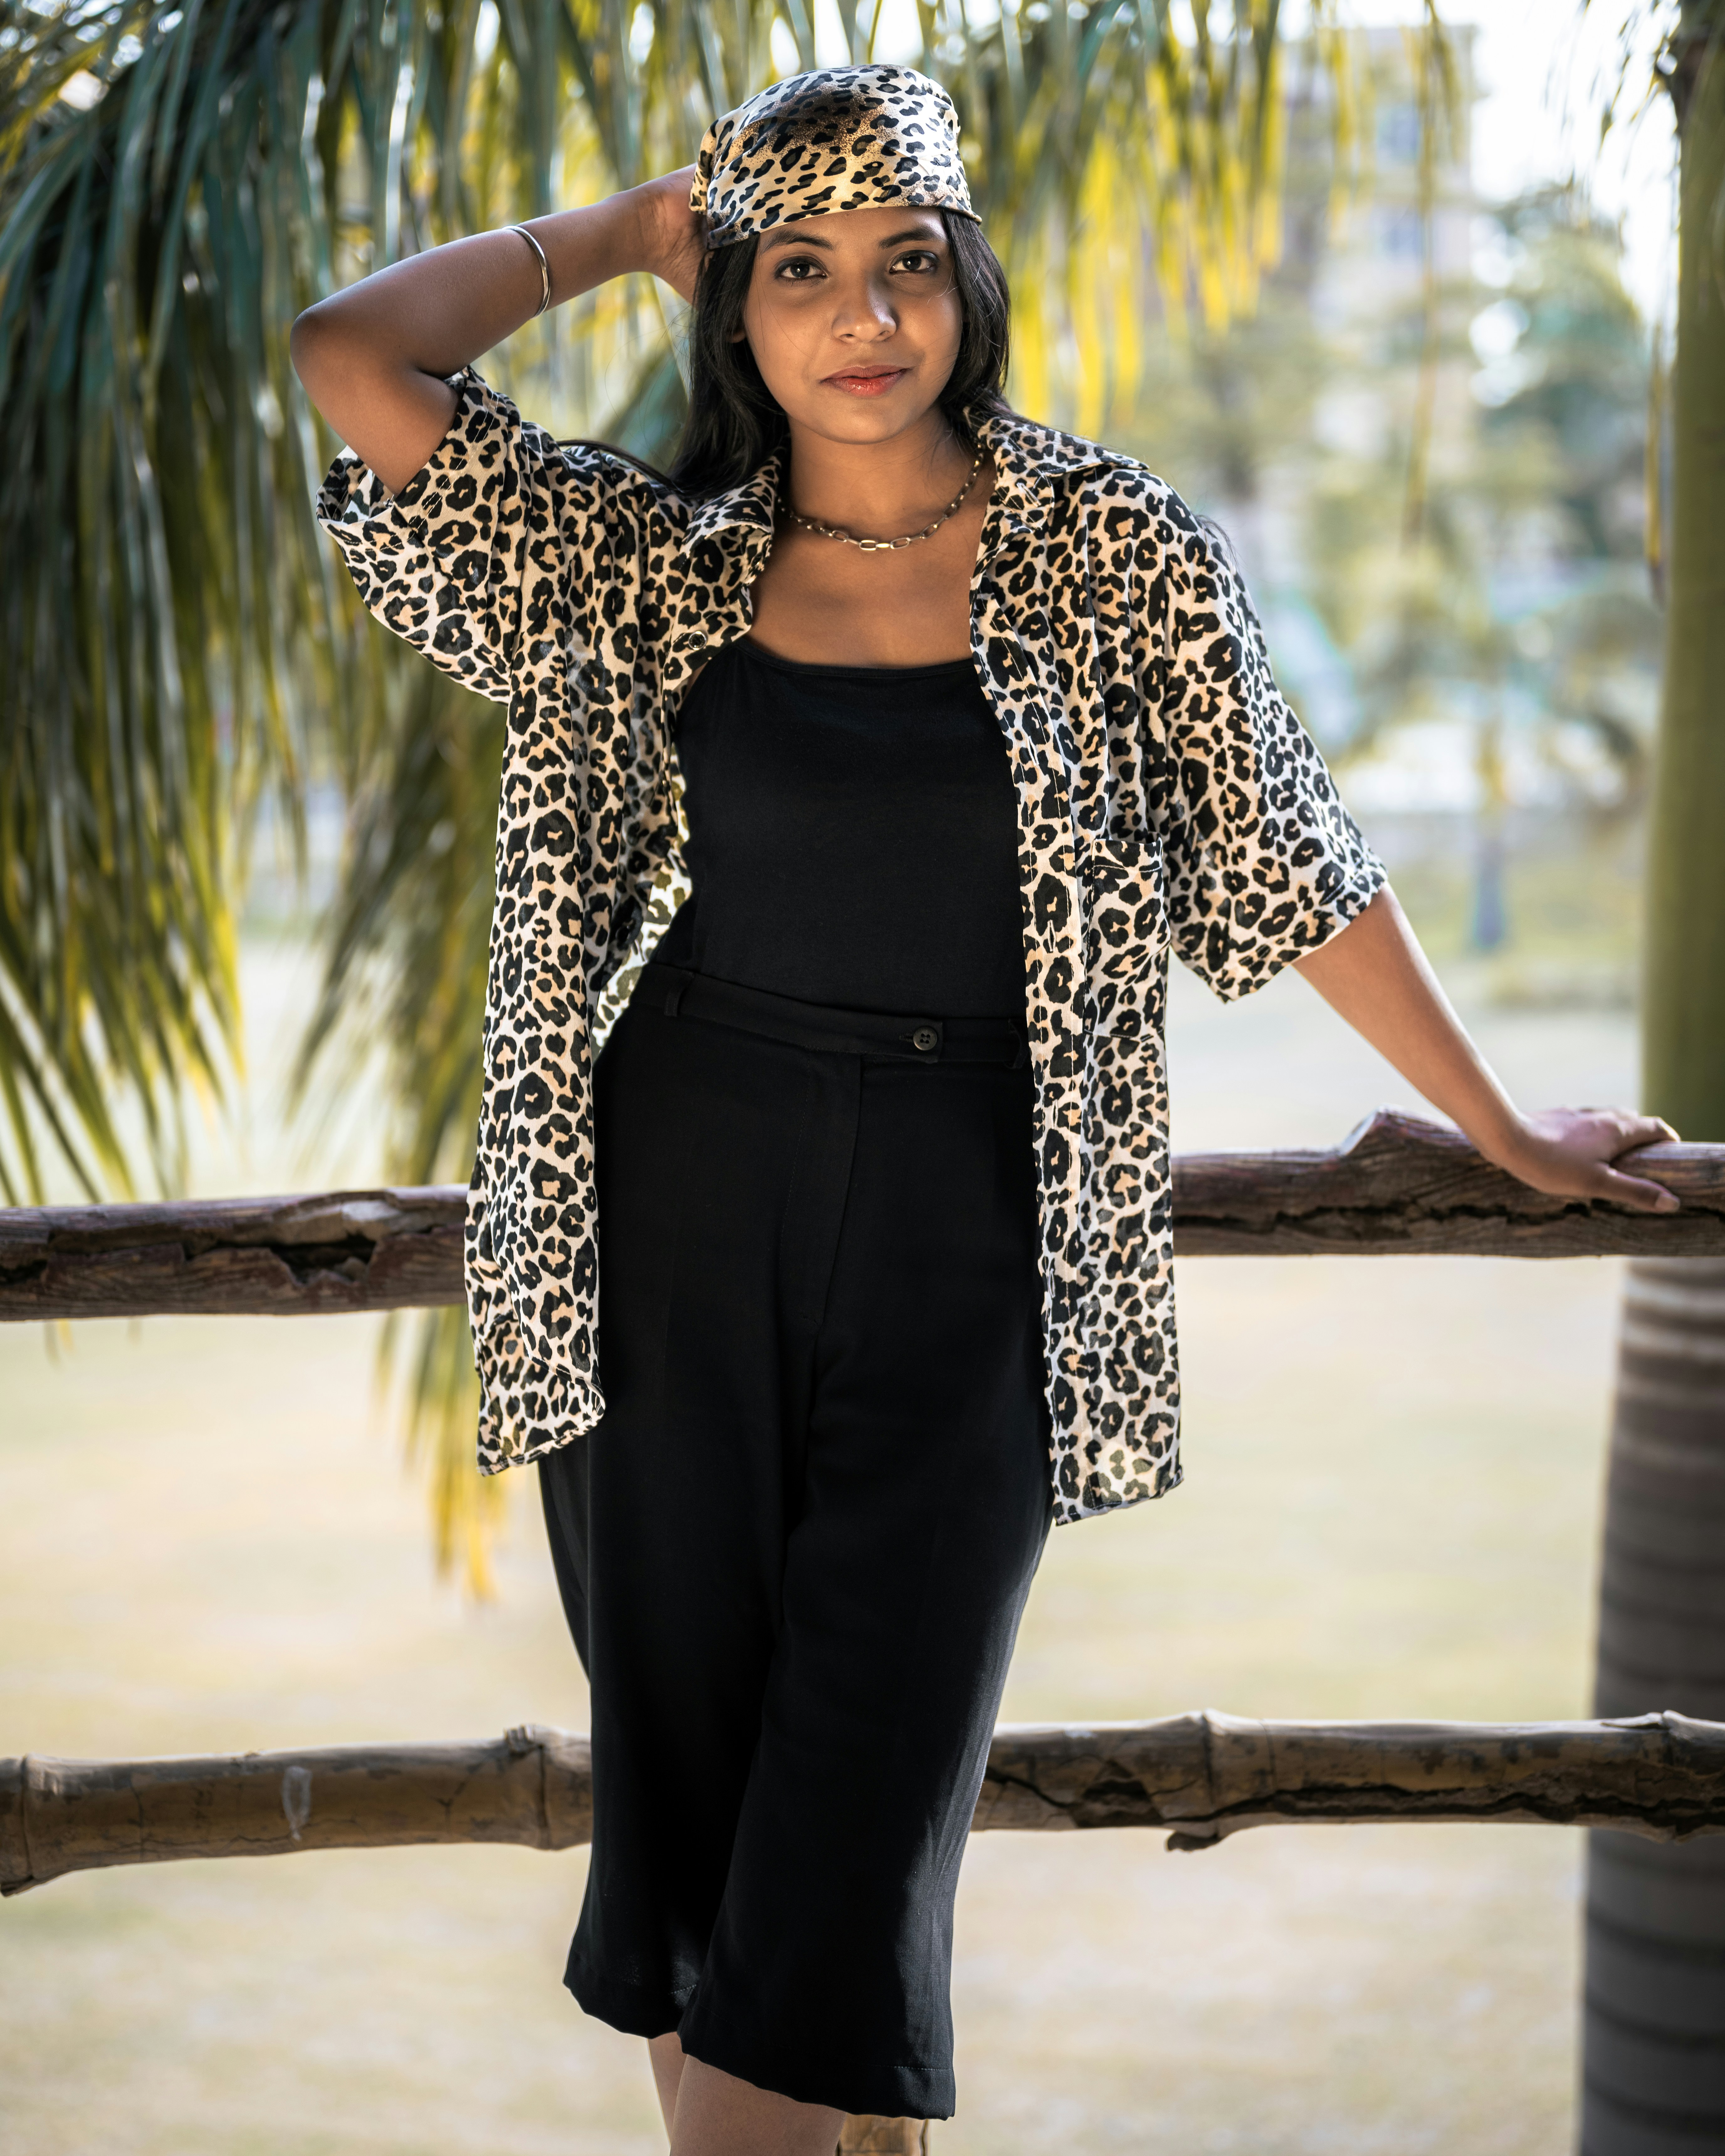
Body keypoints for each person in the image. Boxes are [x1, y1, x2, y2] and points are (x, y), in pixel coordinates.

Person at [291, 63, 1677, 2156]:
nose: (866, 317)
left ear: (970, 285)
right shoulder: (635, 565)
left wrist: (1497, 1124)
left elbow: (1292, 859)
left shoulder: (1115, 546)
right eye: (801, 271)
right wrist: (633, 230)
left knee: (851, 1831)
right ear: (735, 310)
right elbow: (350, 357)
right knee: (703, 1840)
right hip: (664, 1228)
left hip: (983, 1241)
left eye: (908, 263)